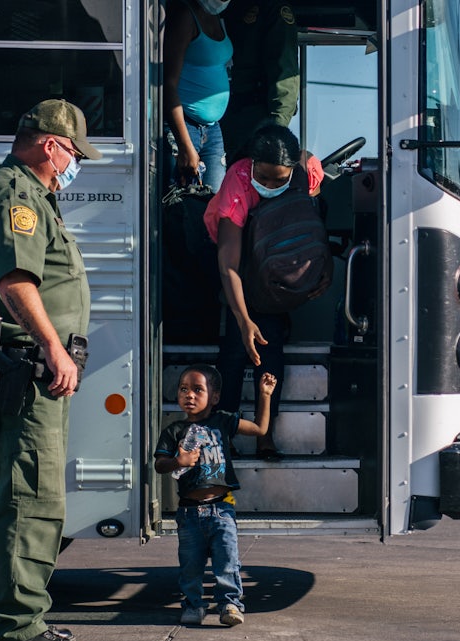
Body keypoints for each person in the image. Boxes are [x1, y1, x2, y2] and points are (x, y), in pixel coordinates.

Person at [0, 98, 101, 641]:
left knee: (19, 495)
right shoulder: (17, 195)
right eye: (71, 153)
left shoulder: (29, 194)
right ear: (48, 143)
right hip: (24, 368)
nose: (71, 165)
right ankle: (16, 630)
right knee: (29, 497)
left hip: (26, 370)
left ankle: (9, 622)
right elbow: (16, 282)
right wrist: (52, 346)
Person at [204, 123, 322, 458]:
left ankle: (264, 435)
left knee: (271, 356)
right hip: (238, 268)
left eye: (279, 179)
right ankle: (222, 435)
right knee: (232, 356)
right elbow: (228, 262)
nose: (269, 185)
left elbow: (311, 211)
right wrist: (242, 320)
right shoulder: (238, 185)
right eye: (264, 177)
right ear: (252, 164)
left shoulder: (304, 173)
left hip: (272, 275)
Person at [155, 364, 276, 626]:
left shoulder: (223, 421)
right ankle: (193, 605)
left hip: (222, 510)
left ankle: (230, 604)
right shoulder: (173, 431)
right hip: (189, 513)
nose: (189, 395)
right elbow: (160, 465)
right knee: (190, 565)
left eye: (198, 390)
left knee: (227, 561)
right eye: (183, 389)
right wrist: (180, 460)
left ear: (215, 397)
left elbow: (260, 429)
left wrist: (264, 395)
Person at [163, 0, 234, 193]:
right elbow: (167, 84)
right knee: (181, 203)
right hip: (184, 126)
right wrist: (184, 144)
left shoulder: (216, 15)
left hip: (212, 130)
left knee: (214, 203)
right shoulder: (185, 17)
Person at [220, 1, 300, 159]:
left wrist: (276, 131)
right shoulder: (218, 6)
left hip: (253, 118)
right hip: (218, 115)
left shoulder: (272, 9)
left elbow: (284, 71)